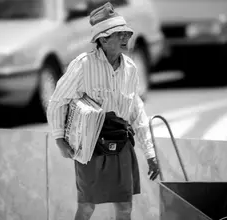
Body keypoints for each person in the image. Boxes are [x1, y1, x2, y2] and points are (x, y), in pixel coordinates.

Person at [46, 2, 159, 220]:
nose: (126, 37)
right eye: (119, 34)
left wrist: (150, 154)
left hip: (123, 145)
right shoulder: (82, 65)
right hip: (91, 146)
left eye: (127, 32)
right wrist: (60, 139)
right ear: (103, 39)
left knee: (125, 208)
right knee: (87, 207)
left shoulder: (131, 69)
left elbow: (137, 112)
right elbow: (57, 101)